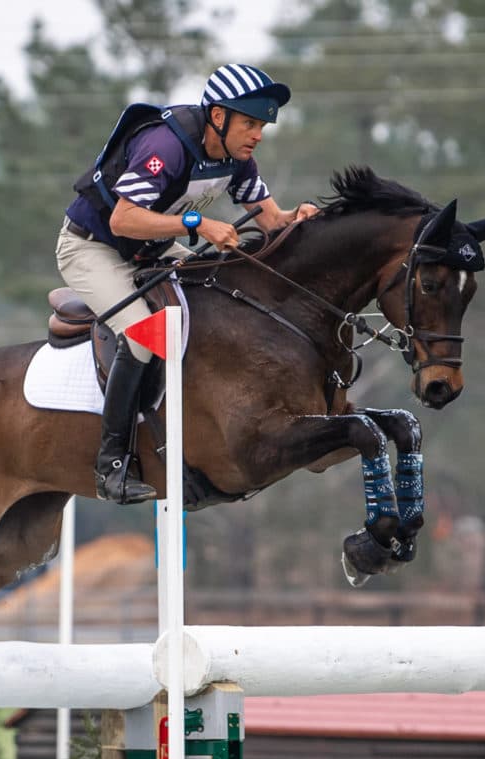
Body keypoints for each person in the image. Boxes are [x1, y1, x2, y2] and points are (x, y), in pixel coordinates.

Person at [59, 64, 321, 504]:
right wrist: (197, 223)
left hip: (151, 249)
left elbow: (273, 220)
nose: (258, 135)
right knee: (143, 339)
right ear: (218, 117)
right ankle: (112, 466)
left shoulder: (238, 160)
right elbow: (123, 220)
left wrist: (301, 218)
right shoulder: (166, 145)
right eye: (250, 124)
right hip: (93, 250)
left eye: (262, 126)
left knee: (223, 292)